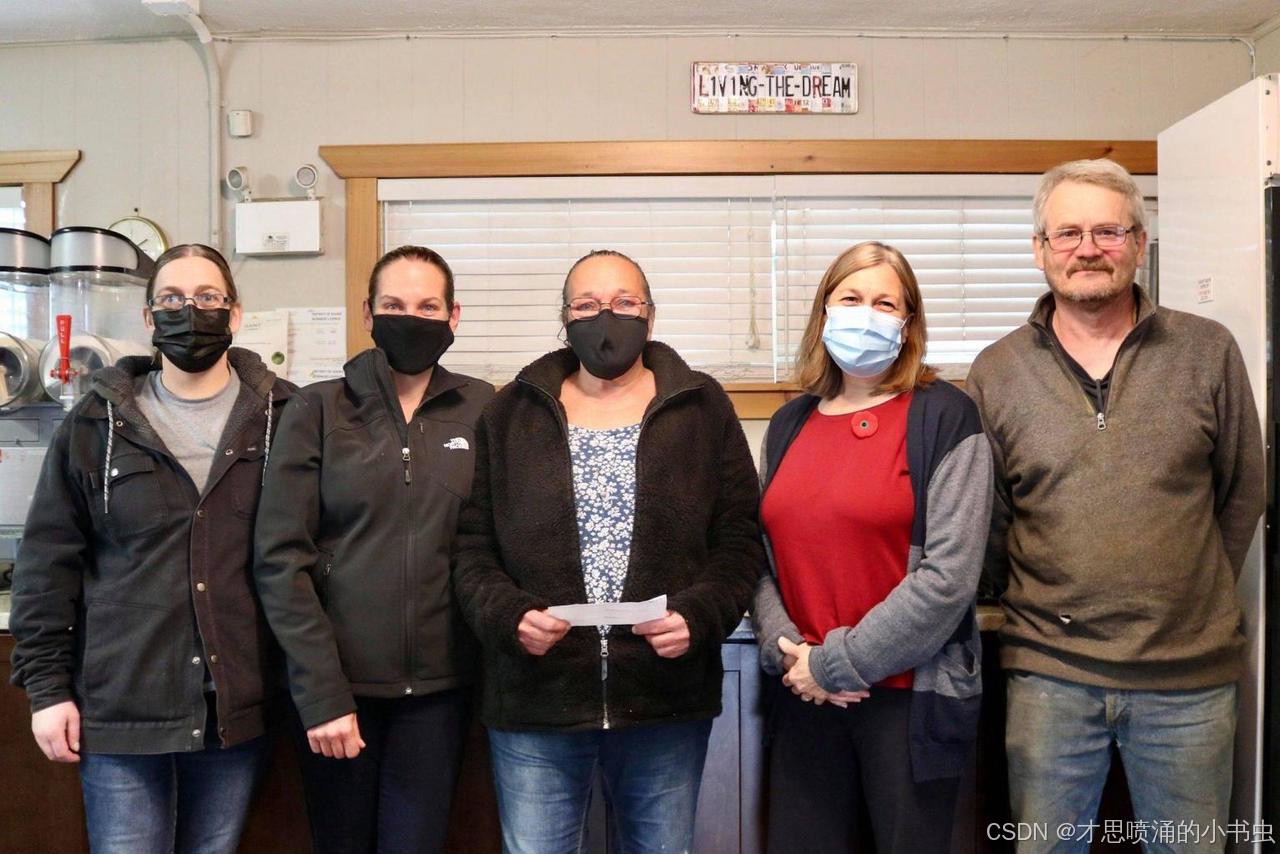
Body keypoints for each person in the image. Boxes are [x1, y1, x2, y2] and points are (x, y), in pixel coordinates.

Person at [966, 158, 1265, 853]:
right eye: (1067, 233)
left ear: (1138, 243)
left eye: (1108, 231)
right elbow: (992, 516)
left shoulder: (1206, 351)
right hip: (1050, 676)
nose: (1088, 249)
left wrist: (1186, 591)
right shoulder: (998, 370)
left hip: (1188, 681)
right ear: (1040, 249)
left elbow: (1243, 489)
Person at [451, 249, 761, 854]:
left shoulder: (700, 406)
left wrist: (699, 617)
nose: (605, 318)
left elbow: (739, 539)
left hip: (663, 697)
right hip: (536, 698)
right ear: (564, 320)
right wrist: (508, 616)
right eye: (587, 305)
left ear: (651, 315)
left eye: (624, 303)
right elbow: (472, 547)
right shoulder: (512, 411)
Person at [9, 243, 292, 853]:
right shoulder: (95, 423)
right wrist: (47, 690)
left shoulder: (284, 417)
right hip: (122, 707)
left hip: (234, 709)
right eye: (171, 299)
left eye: (207, 297)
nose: (190, 311)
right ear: (148, 318)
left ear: (235, 314)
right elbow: (46, 566)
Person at [752, 240, 992, 853]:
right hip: (801, 694)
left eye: (886, 303)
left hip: (909, 702)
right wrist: (792, 655)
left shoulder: (946, 417)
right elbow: (760, 560)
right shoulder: (789, 423)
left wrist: (835, 664)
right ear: (824, 313)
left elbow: (949, 577)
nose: (866, 313)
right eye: (851, 298)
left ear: (908, 322)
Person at [253, 245, 494, 854]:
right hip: (338, 691)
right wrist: (321, 692)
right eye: (394, 304)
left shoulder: (484, 408)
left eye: (427, 306)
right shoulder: (316, 408)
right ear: (368, 313)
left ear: (454, 316)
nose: (411, 318)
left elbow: (494, 543)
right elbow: (281, 559)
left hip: (441, 692)